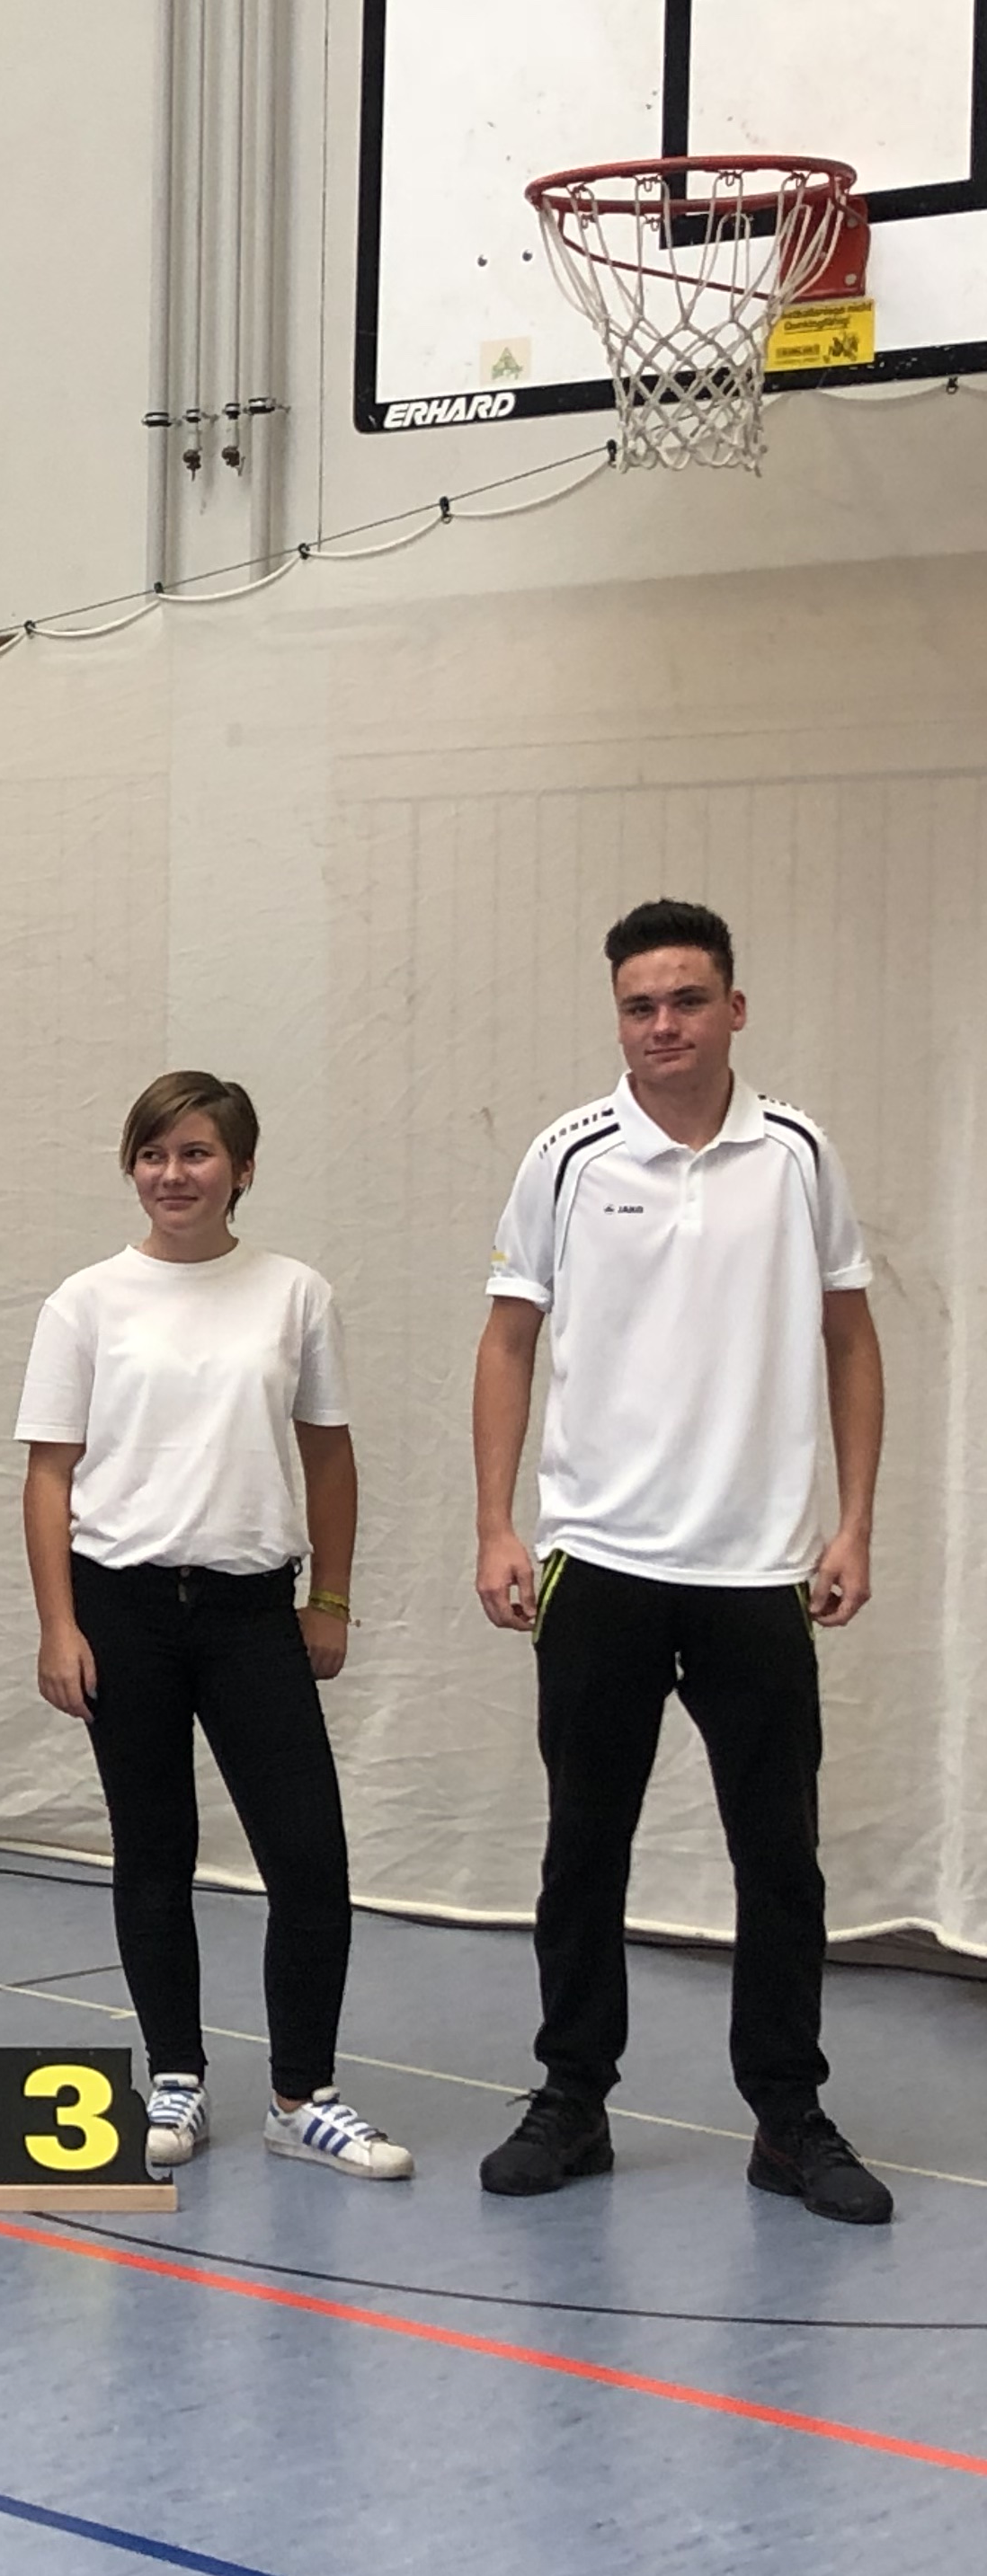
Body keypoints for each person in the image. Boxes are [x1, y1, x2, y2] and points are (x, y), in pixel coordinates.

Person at [470, 899, 890, 2225]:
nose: (665, 1025)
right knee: (583, 1849)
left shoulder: (799, 1154)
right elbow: (507, 1341)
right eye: (641, 1005)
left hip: (758, 1570)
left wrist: (854, 1522)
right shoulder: (566, 1155)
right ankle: (572, 2101)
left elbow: (851, 1338)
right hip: (599, 1563)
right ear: (619, 1019)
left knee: (782, 1862)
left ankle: (788, 2119)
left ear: (735, 1009)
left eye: (689, 1000)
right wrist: (497, 1525)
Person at [16, 1073, 410, 2181]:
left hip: (250, 1611)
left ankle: (303, 2096)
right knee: (155, 1853)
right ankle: (175, 2077)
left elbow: (329, 1454)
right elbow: (48, 1476)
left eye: (196, 1153)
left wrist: (330, 1597)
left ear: (242, 1168)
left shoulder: (293, 1294)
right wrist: (59, 1624)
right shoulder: (86, 1302)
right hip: (122, 1609)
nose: (172, 1174)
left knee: (309, 1858)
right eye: (153, 1154)